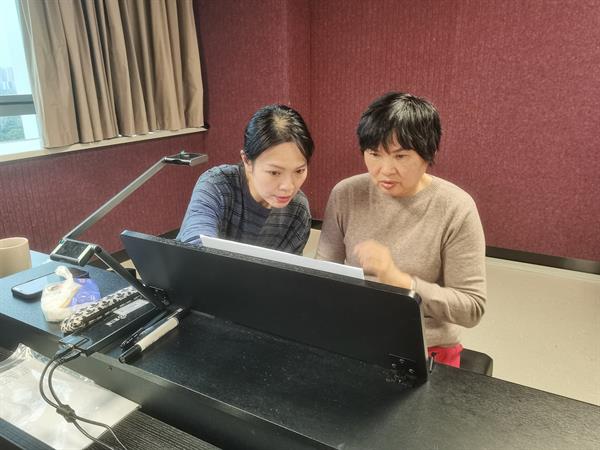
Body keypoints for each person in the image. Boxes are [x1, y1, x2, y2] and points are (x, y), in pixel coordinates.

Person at [316, 92, 486, 368]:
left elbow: (471, 307)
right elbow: (323, 276)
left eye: (401, 156)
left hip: (426, 346)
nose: (385, 170)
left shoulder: (456, 208)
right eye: (374, 154)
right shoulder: (346, 194)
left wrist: (401, 282)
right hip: (355, 334)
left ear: (428, 154)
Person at [177, 104, 314, 254]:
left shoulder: (298, 209)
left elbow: (289, 266)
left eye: (299, 171)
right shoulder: (216, 186)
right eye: (274, 172)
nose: (288, 187)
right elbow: (196, 248)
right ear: (247, 161)